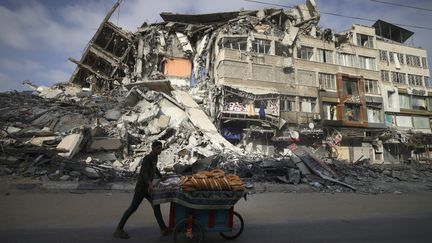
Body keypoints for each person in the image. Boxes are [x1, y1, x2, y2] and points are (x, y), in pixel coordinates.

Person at [114, 141, 168, 239]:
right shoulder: (147, 159)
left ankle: (163, 229)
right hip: (141, 189)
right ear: (153, 148)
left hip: (148, 189)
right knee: (132, 208)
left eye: (161, 148)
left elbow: (154, 168)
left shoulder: (155, 157)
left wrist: (161, 176)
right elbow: (144, 173)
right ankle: (119, 229)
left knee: (156, 206)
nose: (160, 150)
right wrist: (150, 184)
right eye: (158, 148)